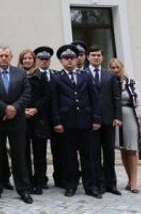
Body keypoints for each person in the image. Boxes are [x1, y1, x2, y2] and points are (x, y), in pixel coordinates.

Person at [0, 46, 33, 204]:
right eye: (1, 55)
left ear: (11, 57)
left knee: (19, 156)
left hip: (17, 120)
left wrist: (14, 108)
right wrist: (4, 108)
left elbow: (27, 93)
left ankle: (23, 189)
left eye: (6, 55)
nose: (4, 58)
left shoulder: (21, 73)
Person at [49, 44, 101, 198]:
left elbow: (94, 98)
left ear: (77, 59)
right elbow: (54, 101)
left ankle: (90, 186)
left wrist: (96, 118)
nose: (69, 61)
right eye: (66, 58)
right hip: (67, 123)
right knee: (69, 157)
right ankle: (70, 185)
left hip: (85, 122)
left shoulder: (86, 76)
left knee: (88, 156)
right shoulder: (56, 78)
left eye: (72, 58)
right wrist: (57, 121)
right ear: (61, 61)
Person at [87, 45, 123, 196]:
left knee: (109, 154)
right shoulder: (83, 74)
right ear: (88, 57)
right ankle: (98, 183)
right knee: (94, 154)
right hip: (91, 122)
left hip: (109, 120)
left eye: (99, 55)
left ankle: (111, 184)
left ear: (102, 57)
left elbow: (116, 97)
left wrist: (118, 116)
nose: (96, 57)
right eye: (93, 55)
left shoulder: (109, 75)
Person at [110, 58, 141, 194]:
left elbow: (139, 102)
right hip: (116, 118)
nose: (115, 70)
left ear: (122, 68)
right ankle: (128, 179)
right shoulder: (110, 83)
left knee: (132, 149)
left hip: (131, 117)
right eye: (112, 68)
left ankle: (134, 181)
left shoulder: (131, 83)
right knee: (123, 149)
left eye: (117, 67)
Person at [19, 48, 50, 195]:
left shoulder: (41, 76)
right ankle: (27, 182)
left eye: (30, 58)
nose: (27, 61)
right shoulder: (17, 75)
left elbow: (46, 96)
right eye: (24, 58)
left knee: (39, 153)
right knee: (24, 152)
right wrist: (22, 110)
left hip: (38, 119)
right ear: (21, 60)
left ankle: (39, 182)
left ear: (34, 60)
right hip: (22, 118)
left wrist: (35, 109)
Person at [34, 45, 58, 189]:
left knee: (59, 150)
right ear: (37, 60)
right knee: (40, 152)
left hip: (55, 118)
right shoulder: (33, 75)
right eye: (41, 59)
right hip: (39, 118)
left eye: (46, 59)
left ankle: (60, 177)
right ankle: (40, 179)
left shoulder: (56, 74)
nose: (44, 61)